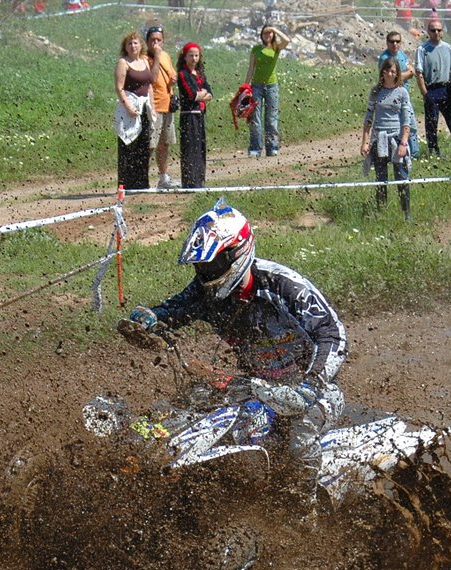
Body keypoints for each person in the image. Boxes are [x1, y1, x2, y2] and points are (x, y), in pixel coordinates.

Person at [128, 198, 347, 501]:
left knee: (302, 435)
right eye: (201, 267)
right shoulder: (205, 292)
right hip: (254, 387)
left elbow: (332, 334)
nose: (207, 273)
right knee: (186, 406)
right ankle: (142, 462)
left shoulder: (282, 285)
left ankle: (303, 511)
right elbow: (175, 309)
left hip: (313, 391)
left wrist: (314, 382)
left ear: (237, 252)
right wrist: (151, 318)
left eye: (213, 264)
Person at [361, 57, 414, 220]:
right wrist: (365, 141)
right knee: (380, 177)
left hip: (397, 139)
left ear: (397, 73)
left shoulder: (402, 92)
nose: (390, 74)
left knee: (401, 177)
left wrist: (404, 142)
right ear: (383, 72)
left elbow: (407, 119)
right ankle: (381, 212)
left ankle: (406, 213)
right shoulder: (375, 92)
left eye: (394, 71)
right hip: (379, 139)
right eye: (388, 71)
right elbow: (369, 117)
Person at [415, 20, 451, 160]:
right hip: (432, 90)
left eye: (439, 30)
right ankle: (434, 151)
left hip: (447, 90)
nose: (436, 33)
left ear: (443, 32)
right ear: (428, 32)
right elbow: (419, 72)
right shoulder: (422, 49)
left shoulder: (448, 48)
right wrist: (425, 93)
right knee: (431, 123)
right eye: (433, 30)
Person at [114, 31, 162, 191]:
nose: (133, 46)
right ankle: (126, 185)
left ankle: (142, 184)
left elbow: (149, 85)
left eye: (135, 43)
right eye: (129, 44)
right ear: (125, 47)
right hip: (129, 108)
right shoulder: (123, 63)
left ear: (140, 45)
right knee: (129, 146)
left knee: (143, 146)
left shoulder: (144, 61)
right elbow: (119, 88)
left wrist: (152, 108)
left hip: (144, 108)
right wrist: (128, 107)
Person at [243, 25, 290, 158]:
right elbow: (251, 68)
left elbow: (287, 41)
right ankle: (255, 148)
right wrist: (246, 86)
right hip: (256, 86)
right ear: (261, 35)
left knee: (271, 118)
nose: (267, 35)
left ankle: (272, 147)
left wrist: (274, 29)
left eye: (270, 34)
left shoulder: (276, 47)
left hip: (271, 86)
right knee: (255, 119)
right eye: (265, 33)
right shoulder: (256, 49)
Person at [145, 25, 179, 190]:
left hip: (167, 105)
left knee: (164, 143)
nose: (156, 43)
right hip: (154, 106)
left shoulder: (166, 55)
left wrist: (173, 80)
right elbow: (152, 78)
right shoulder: (145, 58)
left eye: (158, 40)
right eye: (152, 40)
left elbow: (172, 74)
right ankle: (141, 177)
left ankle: (163, 176)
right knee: (151, 143)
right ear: (147, 42)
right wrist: (156, 57)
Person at [378, 30, 420, 158]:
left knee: (410, 125)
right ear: (387, 42)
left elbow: (411, 69)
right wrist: (406, 74)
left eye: (397, 41)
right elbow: (393, 78)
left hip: (404, 94)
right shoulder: (385, 58)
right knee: (395, 127)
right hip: (391, 96)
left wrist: (406, 74)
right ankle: (392, 152)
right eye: (392, 41)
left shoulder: (401, 55)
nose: (394, 44)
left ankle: (414, 153)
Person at [175, 42, 212, 189]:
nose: (194, 58)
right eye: (191, 55)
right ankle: (190, 181)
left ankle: (199, 179)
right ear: (185, 57)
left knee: (200, 147)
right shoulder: (183, 74)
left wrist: (202, 95)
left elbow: (210, 93)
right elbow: (191, 94)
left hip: (200, 114)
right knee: (190, 148)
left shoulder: (200, 74)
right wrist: (202, 94)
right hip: (189, 115)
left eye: (196, 55)